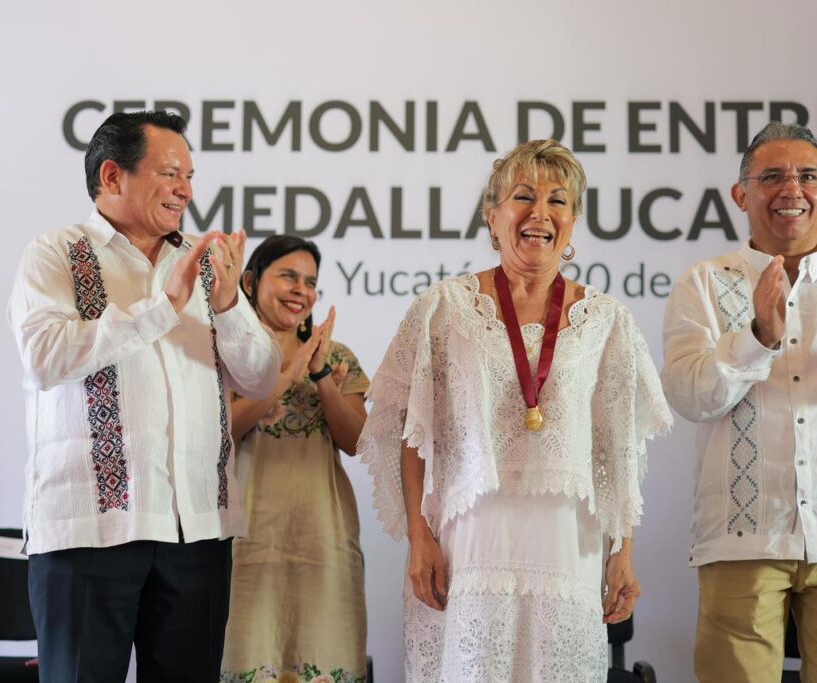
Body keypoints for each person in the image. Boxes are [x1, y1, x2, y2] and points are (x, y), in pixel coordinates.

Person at [357, 139, 672, 682]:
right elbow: (413, 434)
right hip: (471, 542)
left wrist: (623, 550)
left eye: (558, 201)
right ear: (493, 214)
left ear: (572, 221)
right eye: (523, 197)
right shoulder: (443, 308)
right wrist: (419, 537)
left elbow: (616, 449)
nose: (540, 214)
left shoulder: (607, 320)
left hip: (568, 545)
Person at [7, 110, 281, 682]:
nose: (186, 190)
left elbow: (260, 380)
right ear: (113, 176)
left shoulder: (207, 264)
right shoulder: (56, 252)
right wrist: (162, 308)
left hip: (196, 529)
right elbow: (45, 357)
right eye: (170, 173)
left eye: (190, 176)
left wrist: (230, 306)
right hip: (88, 530)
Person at [661, 121, 817, 682]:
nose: (792, 189)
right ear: (741, 194)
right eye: (772, 176)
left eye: (808, 175)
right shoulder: (702, 283)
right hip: (742, 537)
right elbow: (689, 396)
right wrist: (758, 338)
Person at [220, 235, 369, 683]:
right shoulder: (225, 352)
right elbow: (222, 432)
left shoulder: (337, 356)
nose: (300, 291)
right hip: (244, 540)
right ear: (250, 282)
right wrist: (286, 376)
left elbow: (357, 441)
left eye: (310, 282)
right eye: (288, 276)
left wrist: (319, 373)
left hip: (321, 539)